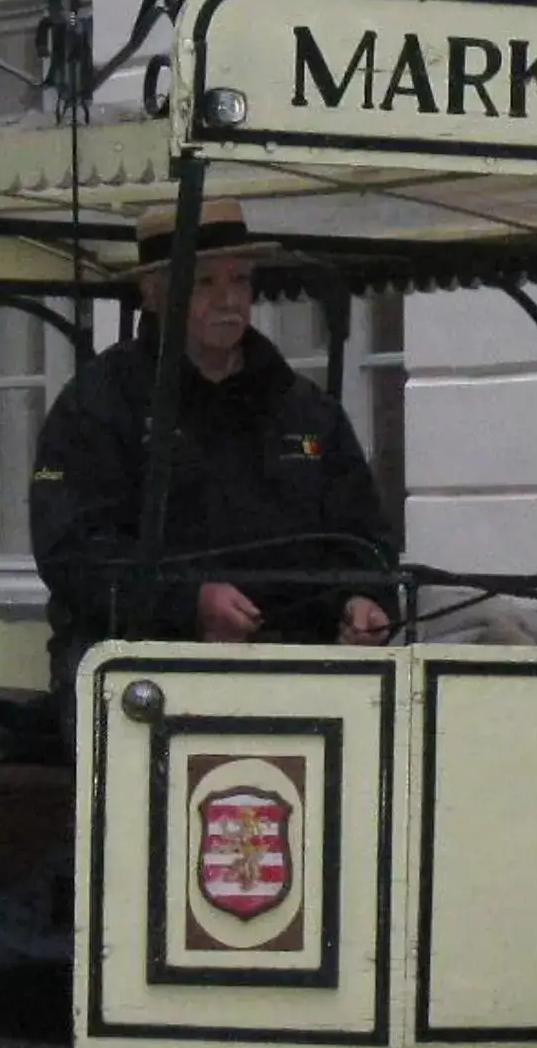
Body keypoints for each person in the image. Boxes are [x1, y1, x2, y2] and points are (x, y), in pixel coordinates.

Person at [30, 199, 397, 705]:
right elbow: (72, 553)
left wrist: (364, 601)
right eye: (205, 282)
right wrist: (190, 604)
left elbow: (364, 538)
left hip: (296, 671)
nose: (229, 299)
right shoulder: (97, 404)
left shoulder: (305, 408)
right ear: (153, 293)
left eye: (241, 280)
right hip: (140, 677)